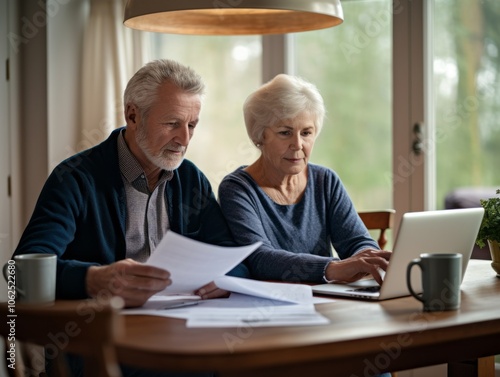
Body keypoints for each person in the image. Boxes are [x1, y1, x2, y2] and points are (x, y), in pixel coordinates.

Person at [13, 59, 246, 377]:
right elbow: (20, 274)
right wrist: (94, 279)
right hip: (101, 348)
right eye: (172, 123)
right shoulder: (74, 178)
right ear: (133, 115)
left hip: (183, 338)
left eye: (192, 125)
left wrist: (223, 279)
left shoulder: (191, 179)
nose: (185, 139)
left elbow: (235, 257)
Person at [218, 73, 392, 286]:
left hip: (325, 302)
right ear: (259, 136)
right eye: (285, 132)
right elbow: (259, 258)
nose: (298, 144)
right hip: (270, 306)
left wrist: (367, 257)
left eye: (307, 132)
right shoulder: (238, 189)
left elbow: (356, 241)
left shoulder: (325, 181)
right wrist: (333, 268)